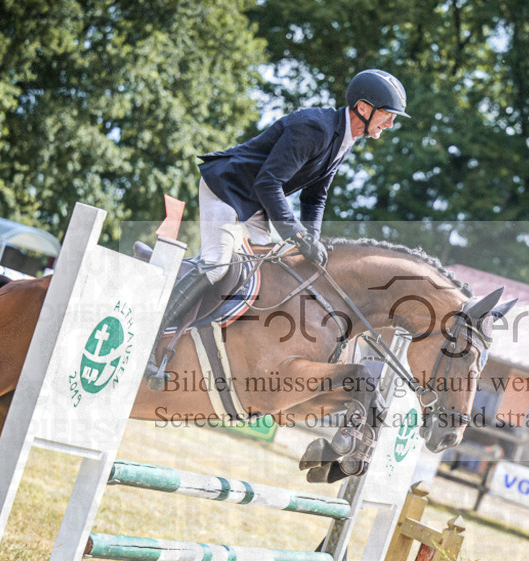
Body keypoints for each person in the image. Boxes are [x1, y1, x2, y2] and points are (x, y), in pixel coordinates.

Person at [145, 69, 409, 383]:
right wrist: (295, 233)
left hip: (255, 201)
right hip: (227, 190)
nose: (391, 123)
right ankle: (152, 331)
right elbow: (268, 182)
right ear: (363, 109)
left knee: (266, 272)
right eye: (388, 115)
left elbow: (316, 194)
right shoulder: (315, 128)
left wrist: (312, 237)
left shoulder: (344, 138)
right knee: (217, 265)